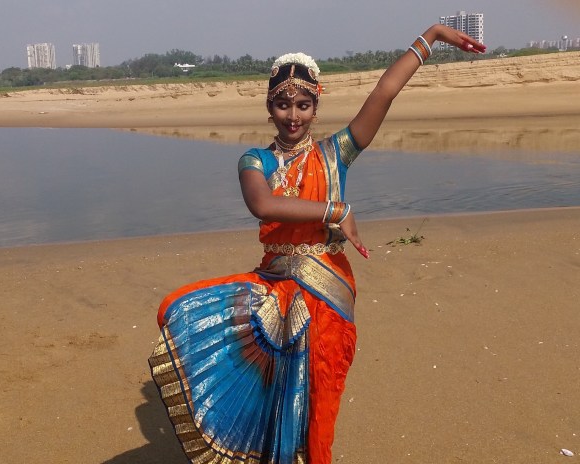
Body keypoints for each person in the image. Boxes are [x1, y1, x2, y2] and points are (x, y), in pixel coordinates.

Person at [149, 24, 485, 464]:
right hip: (273, 289)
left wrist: (432, 37)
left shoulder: (334, 154)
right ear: (269, 108)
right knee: (186, 319)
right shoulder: (255, 160)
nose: (293, 116)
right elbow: (262, 204)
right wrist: (335, 210)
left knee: (318, 403)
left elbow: (384, 92)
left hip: (327, 293)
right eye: (283, 104)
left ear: (315, 107)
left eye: (303, 105)